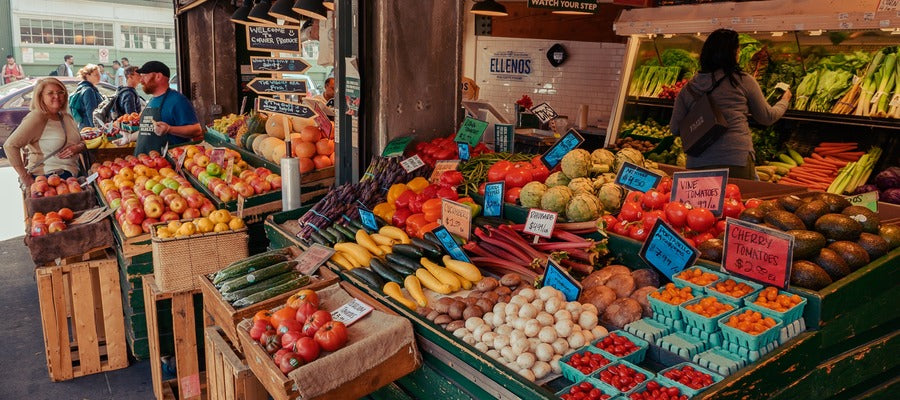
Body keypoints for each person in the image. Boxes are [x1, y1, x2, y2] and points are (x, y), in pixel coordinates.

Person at [669, 29, 791, 180]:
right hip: (735, 160)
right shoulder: (743, 81)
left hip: (697, 162)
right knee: (737, 202)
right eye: (738, 49)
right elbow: (766, 117)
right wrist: (784, 101)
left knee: (701, 204)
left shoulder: (689, 88)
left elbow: (675, 128)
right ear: (733, 53)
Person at [4, 78, 85, 188]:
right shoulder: (37, 117)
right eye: (50, 93)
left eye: (60, 92)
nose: (56, 96)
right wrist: (25, 177)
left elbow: (80, 140)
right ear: (41, 96)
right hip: (49, 179)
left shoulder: (66, 116)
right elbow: (10, 146)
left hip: (71, 178)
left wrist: (78, 147)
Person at [114, 61, 201, 155]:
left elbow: (196, 130)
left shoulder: (177, 100)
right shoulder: (152, 100)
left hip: (165, 165)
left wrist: (169, 129)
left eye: (144, 76)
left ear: (158, 76)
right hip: (142, 164)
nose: (141, 80)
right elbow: (147, 129)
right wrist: (130, 138)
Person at [70, 64, 105, 129]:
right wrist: (96, 130)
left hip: (85, 126)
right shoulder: (88, 90)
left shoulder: (89, 88)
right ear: (87, 76)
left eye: (99, 74)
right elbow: (91, 112)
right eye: (96, 75)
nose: (99, 77)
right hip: (89, 128)